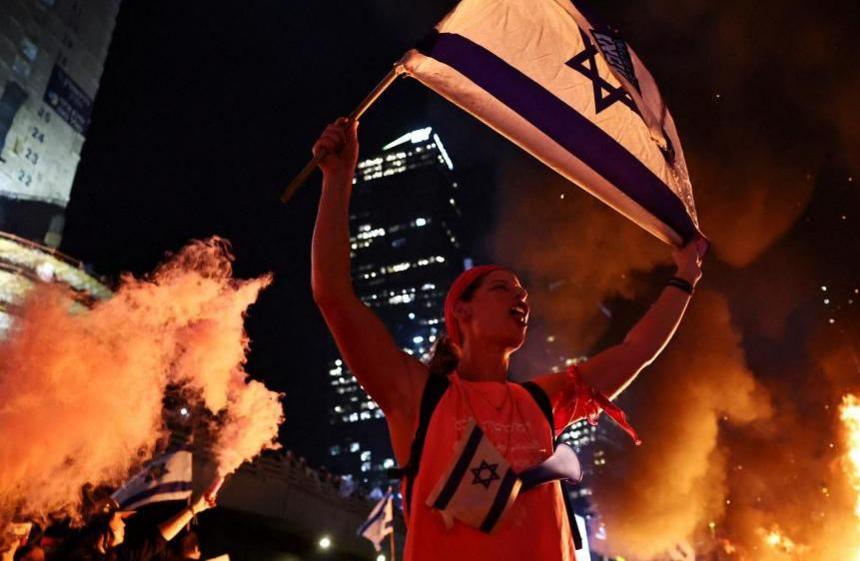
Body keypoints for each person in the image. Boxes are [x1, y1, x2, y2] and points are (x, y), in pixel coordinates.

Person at [311, 118, 706, 561]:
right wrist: (338, 179)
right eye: (503, 288)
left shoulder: (541, 401)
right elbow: (335, 297)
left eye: (523, 293)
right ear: (461, 310)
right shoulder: (417, 394)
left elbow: (635, 352)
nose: (521, 297)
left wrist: (686, 276)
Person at [50, 492, 215, 561]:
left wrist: (195, 508)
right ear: (102, 531)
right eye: (118, 518)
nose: (123, 523)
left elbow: (155, 540)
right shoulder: (77, 555)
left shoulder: (118, 555)